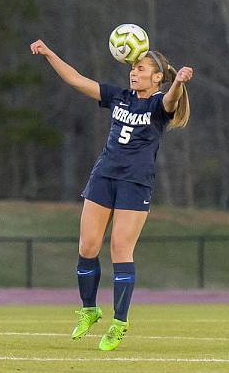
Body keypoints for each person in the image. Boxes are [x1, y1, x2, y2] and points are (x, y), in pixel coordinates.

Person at [30, 39, 192, 350]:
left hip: (135, 182)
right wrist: (50, 53)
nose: (134, 73)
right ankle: (90, 310)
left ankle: (119, 323)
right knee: (87, 245)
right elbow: (76, 79)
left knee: (120, 249)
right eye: (133, 67)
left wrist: (180, 82)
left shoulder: (159, 105)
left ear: (157, 77)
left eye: (141, 69)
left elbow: (171, 100)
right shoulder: (119, 97)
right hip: (103, 175)